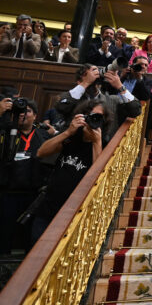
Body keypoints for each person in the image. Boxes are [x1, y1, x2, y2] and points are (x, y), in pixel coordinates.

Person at [31, 99, 109, 242]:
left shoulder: (105, 144)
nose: (92, 119)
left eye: (97, 116)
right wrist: (68, 132)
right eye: (89, 115)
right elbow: (41, 152)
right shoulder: (71, 138)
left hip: (75, 212)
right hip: (49, 207)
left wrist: (96, 142)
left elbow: (99, 177)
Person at [0, 99, 52, 254]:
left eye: (28, 111)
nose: (23, 115)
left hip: (34, 194)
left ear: (35, 116)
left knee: (31, 234)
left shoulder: (43, 135)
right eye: (20, 112)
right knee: (5, 232)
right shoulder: (6, 131)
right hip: (8, 192)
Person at [128, 35, 152, 132]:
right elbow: (130, 64)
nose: (151, 44)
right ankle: (132, 132)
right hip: (138, 83)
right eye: (149, 42)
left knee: (149, 112)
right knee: (134, 108)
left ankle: (144, 136)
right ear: (146, 43)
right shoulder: (138, 52)